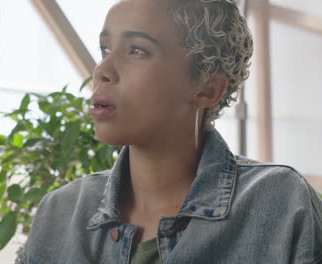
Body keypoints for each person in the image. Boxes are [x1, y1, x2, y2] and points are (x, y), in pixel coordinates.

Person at [17, 0, 322, 263]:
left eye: (137, 50)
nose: (102, 71)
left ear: (207, 89)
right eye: (105, 49)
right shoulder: (59, 212)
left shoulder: (282, 203)